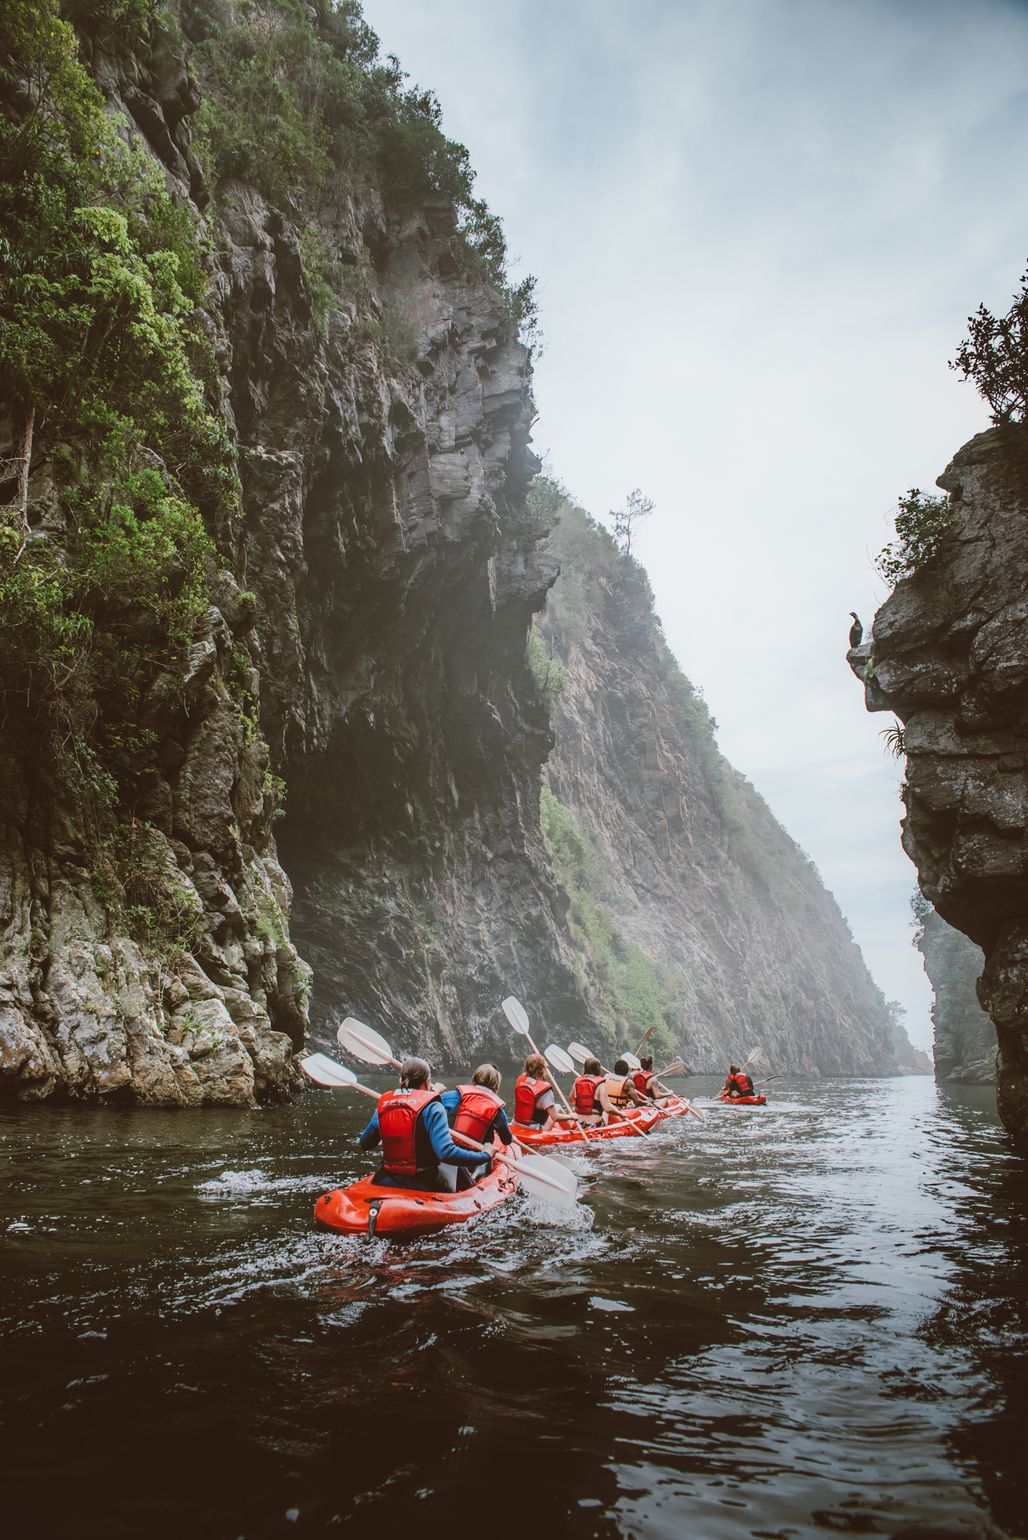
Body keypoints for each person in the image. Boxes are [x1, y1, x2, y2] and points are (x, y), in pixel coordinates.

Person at [359, 1057, 492, 1192]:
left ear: (401, 1081)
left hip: (386, 1179)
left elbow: (366, 1144)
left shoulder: (383, 1105)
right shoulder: (434, 1107)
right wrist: (485, 1155)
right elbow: (446, 1153)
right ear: (428, 1081)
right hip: (423, 1182)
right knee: (456, 1165)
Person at [441, 1064, 514, 1151]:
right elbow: (507, 1140)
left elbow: (433, 1102)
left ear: (474, 1081)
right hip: (477, 1159)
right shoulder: (498, 1111)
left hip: (448, 1151)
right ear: (496, 1088)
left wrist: (436, 1092)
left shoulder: (455, 1095)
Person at [513, 1054, 567, 1131]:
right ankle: (572, 1129)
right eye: (546, 1067)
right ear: (541, 1069)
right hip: (535, 1128)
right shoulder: (546, 1090)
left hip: (516, 1123)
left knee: (553, 1107)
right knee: (557, 1107)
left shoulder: (521, 1079)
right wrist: (572, 1116)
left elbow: (529, 1075)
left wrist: (539, 1063)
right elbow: (555, 1117)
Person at [572, 1057, 606, 1124]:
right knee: (606, 1111)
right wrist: (620, 1113)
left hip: (579, 1122)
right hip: (595, 1123)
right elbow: (607, 1108)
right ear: (598, 1069)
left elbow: (571, 1100)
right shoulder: (601, 1084)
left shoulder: (576, 1082)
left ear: (585, 1069)